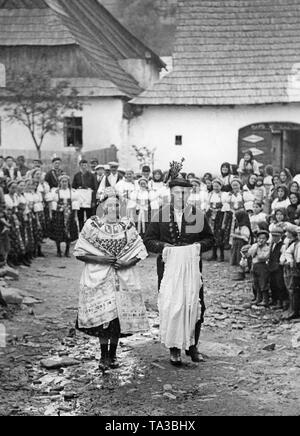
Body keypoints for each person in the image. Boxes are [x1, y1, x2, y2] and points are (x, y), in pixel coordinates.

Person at [144, 164, 214, 366]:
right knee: (172, 305)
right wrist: (164, 247)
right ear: (171, 194)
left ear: (189, 194)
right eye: (177, 193)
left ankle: (192, 346)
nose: (181, 197)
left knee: (194, 303)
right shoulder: (161, 214)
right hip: (168, 268)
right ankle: (174, 348)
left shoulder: (197, 215)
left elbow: (210, 239)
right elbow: (148, 240)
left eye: (184, 193)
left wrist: (196, 247)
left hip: (192, 267)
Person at [74, 194, 149, 371]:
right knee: (104, 319)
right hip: (98, 276)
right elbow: (79, 252)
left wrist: (126, 263)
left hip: (122, 276)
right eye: (109, 205)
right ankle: (103, 355)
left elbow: (139, 250)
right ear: (102, 206)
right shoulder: (92, 225)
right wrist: (102, 259)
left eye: (116, 205)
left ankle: (113, 354)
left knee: (116, 319)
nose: (113, 208)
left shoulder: (127, 225)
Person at [49, 175, 79, 257]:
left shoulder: (72, 192)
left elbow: (75, 205)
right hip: (59, 214)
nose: (64, 183)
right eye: (63, 181)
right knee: (58, 231)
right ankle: (58, 250)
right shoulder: (56, 191)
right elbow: (53, 204)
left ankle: (67, 250)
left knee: (69, 231)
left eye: (66, 181)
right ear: (60, 182)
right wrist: (52, 214)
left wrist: (75, 216)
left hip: (69, 214)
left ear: (68, 182)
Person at [207, 178, 229, 262]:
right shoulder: (210, 194)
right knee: (212, 234)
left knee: (220, 234)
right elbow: (207, 205)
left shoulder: (224, 195)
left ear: (221, 186)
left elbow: (225, 206)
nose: (215, 188)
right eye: (214, 186)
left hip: (220, 215)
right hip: (211, 216)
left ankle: (222, 255)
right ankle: (214, 254)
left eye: (217, 186)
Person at [280, 224, 299, 320]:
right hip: (296, 267)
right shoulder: (295, 244)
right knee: (293, 289)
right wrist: (290, 260)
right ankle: (293, 310)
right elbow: (287, 252)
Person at [247, 230, 270, 307]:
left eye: (263, 238)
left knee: (263, 283)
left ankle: (265, 300)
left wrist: (258, 253)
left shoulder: (267, 248)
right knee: (256, 283)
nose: (261, 240)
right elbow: (250, 253)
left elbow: (263, 257)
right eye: (259, 238)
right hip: (254, 265)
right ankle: (258, 298)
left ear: (266, 239)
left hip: (262, 266)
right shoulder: (255, 246)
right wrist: (256, 247)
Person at [72, 160, 97, 230]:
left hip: (89, 199)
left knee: (89, 217)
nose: (84, 167)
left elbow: (95, 188)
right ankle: (81, 231)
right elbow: (73, 188)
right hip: (80, 199)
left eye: (85, 165)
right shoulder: (76, 175)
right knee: (80, 217)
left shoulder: (92, 176)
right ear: (79, 166)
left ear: (87, 166)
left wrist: (93, 201)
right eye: (82, 165)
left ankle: (89, 231)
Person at [268, 227, 288, 310]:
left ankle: (280, 302)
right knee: (272, 283)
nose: (274, 238)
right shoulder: (272, 244)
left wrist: (280, 262)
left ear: (281, 236)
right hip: (271, 266)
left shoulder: (282, 246)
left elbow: (283, 255)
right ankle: (274, 299)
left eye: (276, 236)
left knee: (279, 284)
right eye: (273, 236)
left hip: (278, 267)